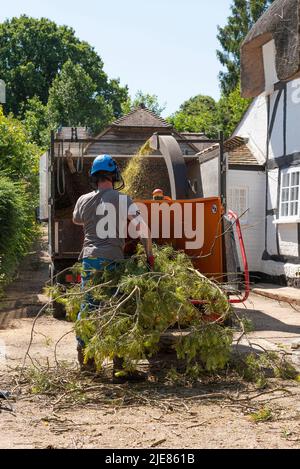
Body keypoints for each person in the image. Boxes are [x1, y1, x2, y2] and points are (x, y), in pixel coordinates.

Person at [73, 154, 153, 381]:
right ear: (114, 176)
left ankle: (88, 365)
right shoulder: (124, 200)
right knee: (117, 309)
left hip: (90, 260)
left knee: (88, 308)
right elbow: (143, 229)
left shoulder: (83, 200)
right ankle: (119, 367)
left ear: (94, 178)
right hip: (114, 261)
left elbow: (77, 220)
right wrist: (149, 256)